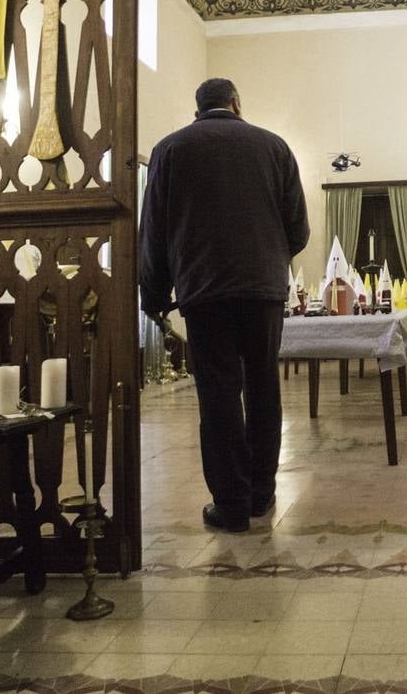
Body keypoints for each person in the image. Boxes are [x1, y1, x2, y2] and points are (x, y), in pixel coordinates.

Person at [139, 78, 309, 534]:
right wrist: (270, 260)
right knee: (262, 387)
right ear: (237, 103)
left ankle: (230, 505)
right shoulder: (273, 146)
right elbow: (299, 229)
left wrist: (153, 296)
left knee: (217, 394)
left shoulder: (170, 150)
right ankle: (261, 493)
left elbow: (153, 229)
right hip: (262, 291)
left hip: (204, 291)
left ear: (197, 109)